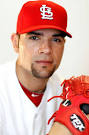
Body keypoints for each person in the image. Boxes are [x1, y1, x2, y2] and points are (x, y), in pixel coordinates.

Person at [0, 0, 73, 135]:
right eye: (34, 37)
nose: (46, 49)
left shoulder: (68, 94)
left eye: (56, 40)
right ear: (16, 42)